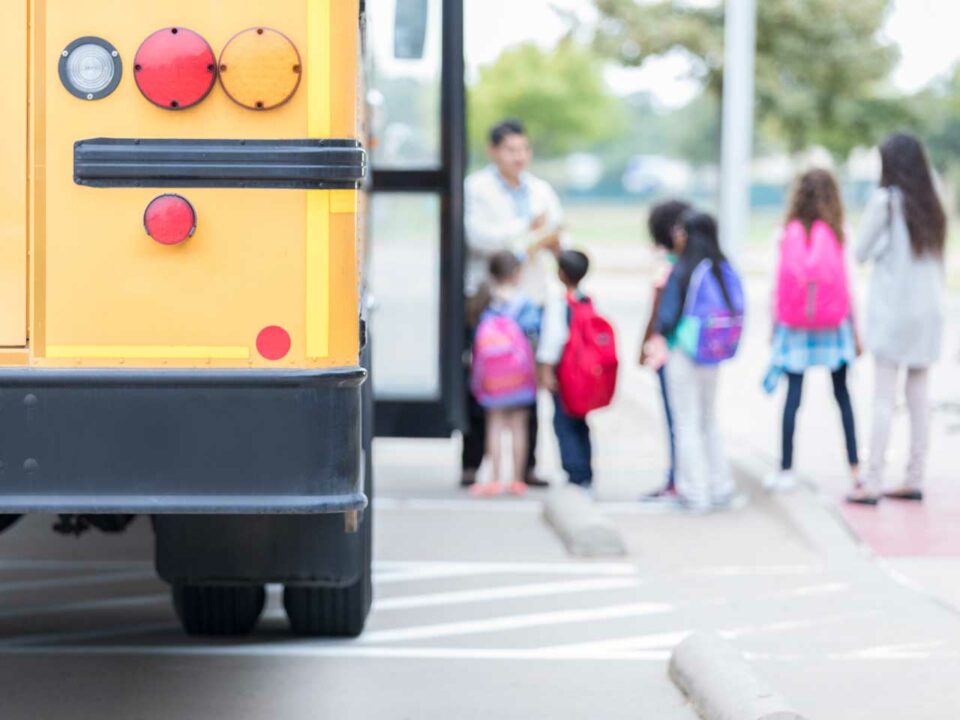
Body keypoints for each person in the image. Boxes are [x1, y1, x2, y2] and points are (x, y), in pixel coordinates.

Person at [462, 119, 564, 489]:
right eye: (511, 150)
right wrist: (528, 231)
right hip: (489, 299)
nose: (519, 157)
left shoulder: (540, 190)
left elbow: (557, 234)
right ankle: (474, 463)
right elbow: (479, 238)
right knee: (484, 379)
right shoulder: (476, 189)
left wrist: (546, 239)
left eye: (523, 149)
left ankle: (526, 468)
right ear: (494, 152)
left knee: (527, 382)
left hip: (529, 300)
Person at [851, 133, 946, 505]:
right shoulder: (934, 198)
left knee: (883, 398)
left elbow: (860, 252)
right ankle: (914, 476)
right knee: (919, 396)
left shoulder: (885, 202)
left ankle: (873, 480)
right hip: (929, 311)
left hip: (894, 311)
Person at [764, 169, 860, 492]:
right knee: (842, 396)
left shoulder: (785, 233)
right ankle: (855, 467)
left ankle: (786, 469)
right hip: (834, 325)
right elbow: (851, 286)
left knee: (793, 396)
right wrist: (856, 331)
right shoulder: (840, 232)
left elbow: (774, 287)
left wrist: (772, 328)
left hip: (794, 328)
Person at [650, 212, 742, 511]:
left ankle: (694, 490)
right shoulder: (722, 266)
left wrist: (658, 334)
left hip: (685, 351)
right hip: (714, 353)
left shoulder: (684, 269)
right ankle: (721, 485)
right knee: (708, 419)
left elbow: (667, 317)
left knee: (686, 421)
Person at [469, 252, 542, 497]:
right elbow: (534, 334)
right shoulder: (524, 303)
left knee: (495, 425)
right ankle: (517, 479)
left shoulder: (486, 301)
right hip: (519, 375)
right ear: (516, 274)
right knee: (519, 426)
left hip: (493, 377)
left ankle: (495, 478)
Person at [639, 200, 691, 502]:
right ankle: (682, 477)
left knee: (675, 419)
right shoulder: (693, 263)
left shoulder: (666, 266)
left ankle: (676, 478)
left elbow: (655, 313)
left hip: (667, 351)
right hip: (691, 351)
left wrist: (642, 346)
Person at [538, 250, 595, 488]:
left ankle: (574, 473)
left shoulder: (560, 304)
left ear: (561, 274)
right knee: (580, 421)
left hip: (566, 372)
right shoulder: (588, 301)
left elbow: (553, 340)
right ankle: (585, 473)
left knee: (563, 423)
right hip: (585, 373)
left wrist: (546, 371)